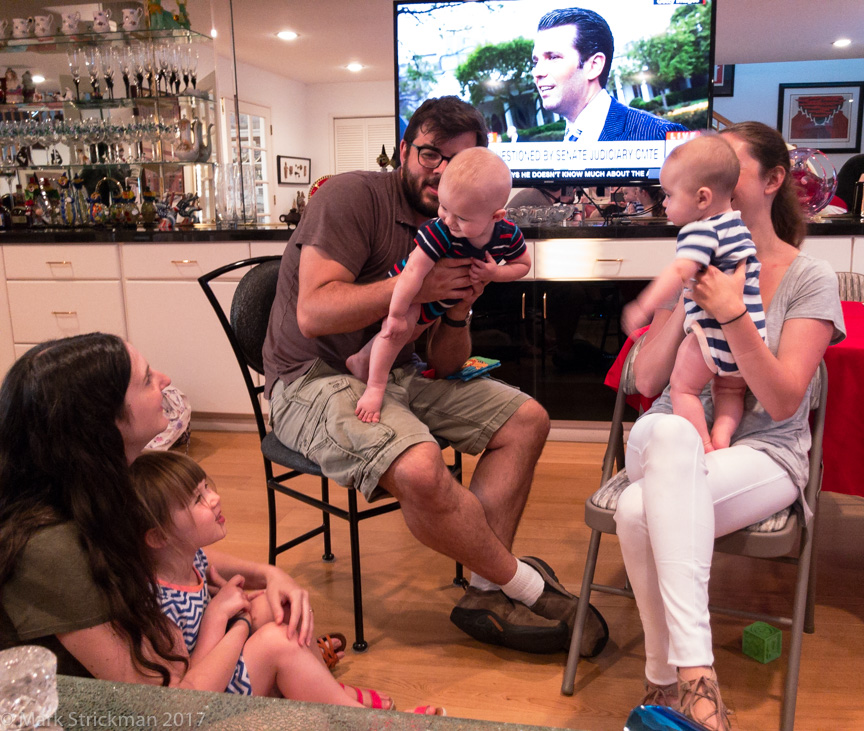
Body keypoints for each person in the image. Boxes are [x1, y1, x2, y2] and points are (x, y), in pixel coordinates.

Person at [262, 95, 609, 656]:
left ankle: (482, 588)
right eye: (430, 154)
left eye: (460, 160)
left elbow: (446, 363)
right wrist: (417, 288)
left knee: (527, 419)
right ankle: (520, 583)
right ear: (404, 150)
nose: (443, 171)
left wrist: (458, 305)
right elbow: (313, 313)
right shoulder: (353, 196)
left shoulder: (466, 224)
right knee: (422, 470)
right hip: (309, 377)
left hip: (398, 369)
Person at [613, 121, 845, 730]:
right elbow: (646, 383)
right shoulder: (693, 256)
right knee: (665, 434)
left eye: (728, 168)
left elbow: (785, 399)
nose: (708, 182)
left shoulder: (809, 278)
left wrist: (733, 315)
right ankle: (701, 682)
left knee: (639, 511)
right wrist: (679, 306)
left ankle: (666, 679)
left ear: (771, 182)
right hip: (673, 436)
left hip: (763, 452)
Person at [0, 334, 339, 691]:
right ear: (102, 425)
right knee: (277, 641)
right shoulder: (52, 550)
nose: (164, 379)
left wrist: (270, 574)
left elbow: (176, 553)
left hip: (164, 682)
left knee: (274, 612)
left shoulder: (97, 487)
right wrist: (239, 623)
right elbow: (162, 710)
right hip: (112, 713)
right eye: (146, 380)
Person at [129, 450, 442, 714]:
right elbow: (191, 691)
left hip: (224, 667)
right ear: (158, 537)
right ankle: (362, 720)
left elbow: (216, 575)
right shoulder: (160, 604)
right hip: (211, 702)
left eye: (206, 487)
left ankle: (324, 687)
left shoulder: (189, 557)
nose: (214, 498)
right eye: (197, 499)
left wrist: (259, 590)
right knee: (277, 642)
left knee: (277, 604)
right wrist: (228, 619)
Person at [349, 146, 531, 423]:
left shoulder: (507, 235)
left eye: (462, 217)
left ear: (496, 217)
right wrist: (396, 314)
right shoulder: (440, 230)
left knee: (409, 335)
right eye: (444, 207)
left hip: (443, 301)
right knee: (398, 331)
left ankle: (361, 360)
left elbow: (523, 266)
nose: (448, 219)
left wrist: (495, 272)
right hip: (412, 292)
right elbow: (412, 274)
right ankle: (375, 387)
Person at [623, 135, 765, 452]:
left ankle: (704, 443)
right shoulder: (738, 227)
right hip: (749, 338)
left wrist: (643, 304)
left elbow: (678, 271)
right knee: (729, 392)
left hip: (709, 336)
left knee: (683, 389)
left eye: (669, 195)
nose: (663, 203)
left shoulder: (700, 230)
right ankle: (723, 437)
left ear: (703, 199)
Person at [532, 8, 687, 143]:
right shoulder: (563, 147)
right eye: (536, 62)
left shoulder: (660, 136)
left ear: (594, 66)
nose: (537, 72)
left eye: (553, 57)